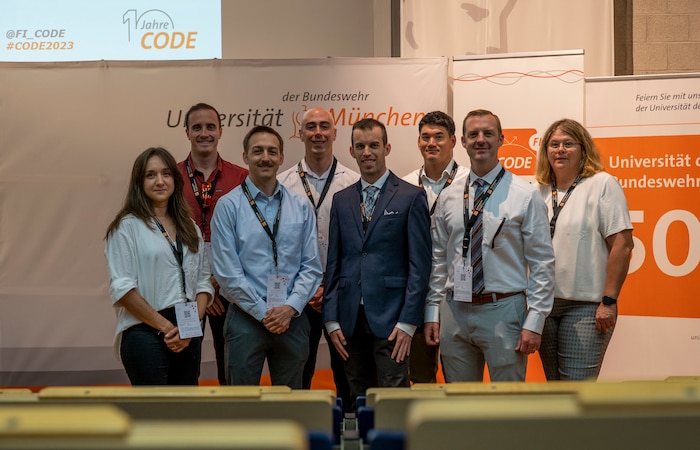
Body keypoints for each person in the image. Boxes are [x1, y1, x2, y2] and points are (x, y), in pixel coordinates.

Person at [425, 109, 555, 382]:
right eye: (473, 134)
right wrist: (432, 312)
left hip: (504, 310)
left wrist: (535, 321)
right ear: (462, 141)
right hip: (455, 311)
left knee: (507, 408)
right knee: (460, 407)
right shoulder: (448, 197)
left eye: (488, 134)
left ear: (501, 139)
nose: (480, 140)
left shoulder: (525, 195)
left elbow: (542, 263)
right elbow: (438, 259)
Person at [323, 118, 431, 405]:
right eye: (360, 146)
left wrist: (410, 323)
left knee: (392, 400)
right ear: (352, 151)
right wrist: (330, 319)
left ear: (387, 148)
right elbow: (334, 263)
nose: (367, 152)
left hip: (393, 319)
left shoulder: (411, 196)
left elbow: (420, 267)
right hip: (348, 320)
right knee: (355, 397)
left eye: (373, 145)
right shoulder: (341, 200)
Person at [211, 125, 322, 388]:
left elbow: (311, 266)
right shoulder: (228, 206)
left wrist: (289, 308)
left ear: (282, 158)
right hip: (245, 318)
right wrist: (264, 313)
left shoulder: (300, 205)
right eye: (257, 151)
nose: (265, 157)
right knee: (242, 406)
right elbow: (228, 275)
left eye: (272, 151)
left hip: (292, 318)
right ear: (245, 157)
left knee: (292, 402)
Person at [535, 118, 634, 380]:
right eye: (553, 144)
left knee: (577, 392)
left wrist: (609, 301)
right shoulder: (538, 191)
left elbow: (622, 245)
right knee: (555, 391)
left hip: (587, 307)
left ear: (583, 149)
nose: (560, 150)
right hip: (544, 306)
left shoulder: (602, 184)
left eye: (568, 143)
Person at [105, 147, 213, 385]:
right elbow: (122, 289)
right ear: (139, 182)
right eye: (150, 175)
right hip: (145, 331)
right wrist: (166, 327)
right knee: (153, 415)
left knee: (184, 414)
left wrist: (189, 328)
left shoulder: (190, 227)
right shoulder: (126, 227)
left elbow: (204, 283)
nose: (160, 181)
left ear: (175, 179)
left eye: (166, 173)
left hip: (187, 329)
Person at [278, 107, 358, 408]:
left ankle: (350, 435)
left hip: (342, 294)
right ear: (300, 133)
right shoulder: (283, 184)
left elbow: (359, 244)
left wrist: (331, 288)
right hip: (299, 297)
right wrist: (309, 289)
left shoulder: (354, 182)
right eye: (310, 126)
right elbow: (280, 246)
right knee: (298, 375)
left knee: (348, 375)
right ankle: (298, 434)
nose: (318, 133)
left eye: (325, 126)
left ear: (335, 133)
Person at [177, 102, 248, 385]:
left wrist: (217, 283)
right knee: (185, 361)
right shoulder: (170, 177)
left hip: (227, 288)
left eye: (210, 127)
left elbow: (248, 238)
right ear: (187, 133)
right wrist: (200, 286)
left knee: (230, 365)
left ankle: (228, 423)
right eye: (197, 127)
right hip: (185, 290)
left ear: (220, 131)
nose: (204, 133)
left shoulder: (241, 177)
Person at [402, 111, 469, 384]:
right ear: (418, 142)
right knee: (419, 377)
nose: (432, 143)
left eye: (439, 137)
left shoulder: (471, 181)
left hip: (458, 290)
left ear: (453, 141)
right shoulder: (404, 185)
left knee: (460, 376)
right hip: (416, 290)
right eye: (425, 137)